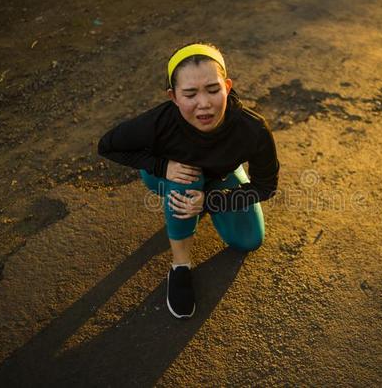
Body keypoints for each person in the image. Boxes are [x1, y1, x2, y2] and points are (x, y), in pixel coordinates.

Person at [98, 43, 279, 319]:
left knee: (249, 240)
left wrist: (213, 200)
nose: (204, 103)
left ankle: (215, 189)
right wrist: (161, 165)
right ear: (173, 96)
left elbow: (266, 186)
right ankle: (180, 266)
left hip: (219, 177)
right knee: (186, 181)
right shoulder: (159, 122)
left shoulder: (252, 129)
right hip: (170, 177)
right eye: (190, 94)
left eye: (213, 89)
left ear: (227, 87)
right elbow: (107, 145)